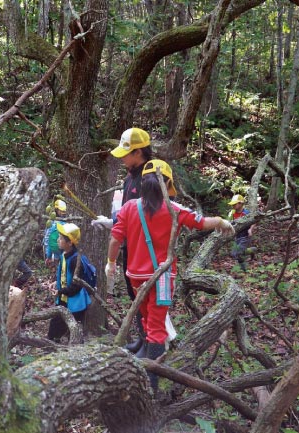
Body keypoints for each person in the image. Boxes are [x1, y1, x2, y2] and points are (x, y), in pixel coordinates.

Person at [105, 160, 234, 391]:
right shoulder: (174, 209)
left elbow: (115, 239)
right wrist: (222, 221)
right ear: (166, 183)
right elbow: (202, 223)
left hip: (135, 275)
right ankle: (152, 384)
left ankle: (146, 368)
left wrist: (111, 263)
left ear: (143, 184)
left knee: (146, 317)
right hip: (162, 277)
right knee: (156, 325)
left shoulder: (128, 208)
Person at [92, 127, 154, 354]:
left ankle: (152, 342)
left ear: (139, 152)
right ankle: (143, 337)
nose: (123, 159)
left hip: (146, 248)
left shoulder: (151, 176)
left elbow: (151, 212)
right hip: (130, 244)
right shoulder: (130, 176)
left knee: (145, 295)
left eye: (126, 154)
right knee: (133, 293)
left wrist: (117, 222)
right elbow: (128, 209)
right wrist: (114, 220)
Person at [47, 222, 93, 341]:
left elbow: (76, 287)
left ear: (70, 243)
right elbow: (63, 275)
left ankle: (56, 346)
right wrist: (56, 283)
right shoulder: (64, 255)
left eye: (61, 238)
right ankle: (54, 343)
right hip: (64, 298)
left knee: (64, 328)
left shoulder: (75, 261)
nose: (58, 240)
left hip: (74, 303)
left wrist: (60, 291)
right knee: (55, 328)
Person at [227, 194, 256, 272]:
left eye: (235, 204)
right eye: (232, 204)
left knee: (238, 253)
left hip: (245, 236)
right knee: (234, 254)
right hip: (237, 237)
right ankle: (252, 250)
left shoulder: (246, 213)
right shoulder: (233, 213)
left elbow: (254, 221)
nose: (233, 206)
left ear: (240, 203)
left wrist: (250, 229)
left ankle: (244, 270)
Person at [43, 199, 67, 267]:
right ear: (56, 210)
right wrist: (48, 254)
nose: (63, 212)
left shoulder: (65, 221)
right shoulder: (52, 223)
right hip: (53, 248)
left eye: (64, 211)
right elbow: (47, 238)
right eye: (61, 210)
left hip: (61, 250)